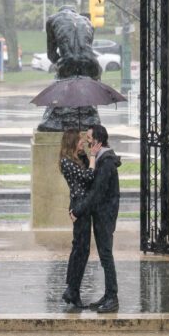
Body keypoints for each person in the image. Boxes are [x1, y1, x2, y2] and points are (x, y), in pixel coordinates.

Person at [71, 124, 121, 313]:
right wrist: (87, 155)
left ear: (98, 141)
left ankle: (113, 297)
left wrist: (78, 210)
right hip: (101, 214)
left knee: (106, 255)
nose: (87, 140)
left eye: (89, 138)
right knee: (104, 255)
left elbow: (96, 192)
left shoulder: (107, 162)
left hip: (105, 216)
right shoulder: (100, 158)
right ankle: (108, 295)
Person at [59, 128, 94, 308]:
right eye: (80, 140)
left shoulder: (78, 159)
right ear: (72, 142)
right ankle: (72, 289)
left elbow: (88, 174)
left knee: (81, 249)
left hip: (83, 206)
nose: (83, 142)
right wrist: (93, 159)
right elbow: (88, 176)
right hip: (79, 207)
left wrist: (87, 156)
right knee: (80, 249)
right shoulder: (66, 162)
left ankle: (73, 290)